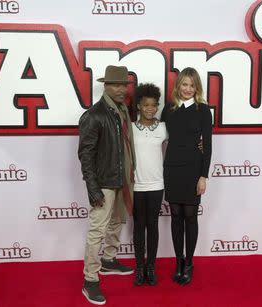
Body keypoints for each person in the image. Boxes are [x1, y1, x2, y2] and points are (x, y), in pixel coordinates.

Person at [78, 65, 136, 305]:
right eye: (116, 84)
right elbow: (85, 154)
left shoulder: (122, 110)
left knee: (117, 221)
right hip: (103, 182)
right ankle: (90, 279)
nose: (122, 89)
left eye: (124, 84)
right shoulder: (94, 115)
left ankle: (109, 260)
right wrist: (92, 188)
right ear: (106, 86)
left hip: (122, 179)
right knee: (97, 230)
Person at [161, 67, 212, 285]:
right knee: (175, 217)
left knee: (190, 216)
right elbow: (158, 138)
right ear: (178, 85)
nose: (187, 89)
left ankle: (189, 262)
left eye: (192, 85)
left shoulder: (203, 110)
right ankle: (179, 261)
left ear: (197, 87)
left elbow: (207, 145)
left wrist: (203, 176)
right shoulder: (168, 109)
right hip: (172, 168)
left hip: (193, 170)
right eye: (184, 84)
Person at [131, 83, 168, 286]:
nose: (150, 109)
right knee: (138, 226)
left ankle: (151, 267)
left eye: (154, 105)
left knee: (152, 226)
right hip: (136, 185)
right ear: (138, 106)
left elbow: (180, 143)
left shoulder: (163, 128)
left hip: (157, 184)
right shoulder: (130, 128)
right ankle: (139, 268)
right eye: (146, 105)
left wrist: (199, 143)